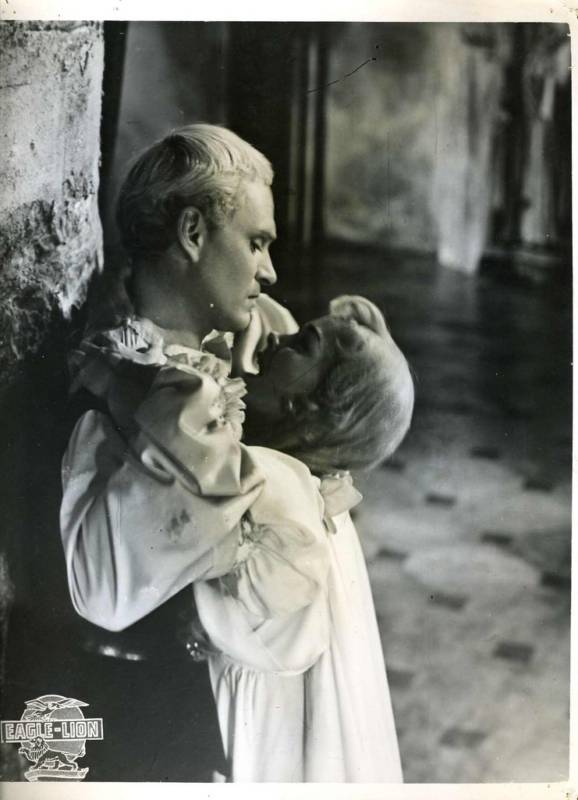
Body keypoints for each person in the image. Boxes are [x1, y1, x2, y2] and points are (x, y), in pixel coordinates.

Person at [59, 123, 298, 781]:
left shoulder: (227, 342)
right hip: (153, 720)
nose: (269, 271)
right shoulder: (117, 380)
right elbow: (109, 590)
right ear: (192, 233)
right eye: (256, 243)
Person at [191, 295, 414, 782]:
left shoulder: (271, 493)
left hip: (249, 740)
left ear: (309, 409)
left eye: (301, 344)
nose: (277, 336)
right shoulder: (310, 485)